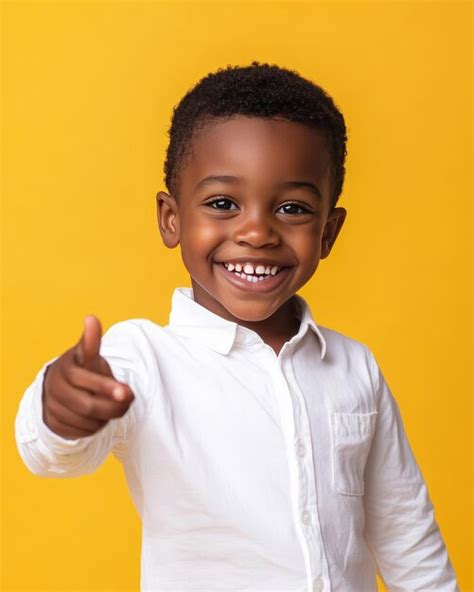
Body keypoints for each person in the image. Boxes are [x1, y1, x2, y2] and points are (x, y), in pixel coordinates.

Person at [15, 62, 459, 592]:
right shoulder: (141, 358)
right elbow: (52, 454)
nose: (256, 231)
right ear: (171, 218)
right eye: (223, 203)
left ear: (329, 232)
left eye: (292, 208)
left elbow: (406, 531)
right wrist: (58, 408)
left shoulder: (354, 366)